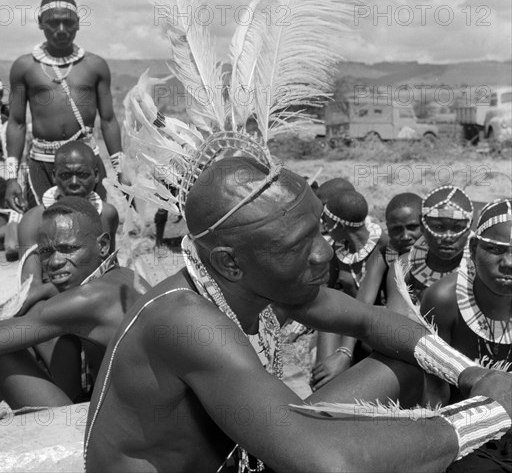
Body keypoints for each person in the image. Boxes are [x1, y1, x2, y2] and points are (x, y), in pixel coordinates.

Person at [84, 157, 512, 473]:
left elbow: (369, 321)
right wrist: (488, 413)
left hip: (244, 454)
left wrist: (474, 376)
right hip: (244, 464)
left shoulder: (255, 281)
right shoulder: (187, 324)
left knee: (406, 359)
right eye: (296, 246)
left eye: (318, 232)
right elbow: (328, 466)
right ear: (230, 262)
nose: (324, 252)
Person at [0, 197, 143, 426]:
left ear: (102, 245)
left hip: (117, 441)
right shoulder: (125, 278)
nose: (54, 262)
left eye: (68, 249)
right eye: (45, 252)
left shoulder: (86, 299)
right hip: (135, 426)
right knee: (61, 343)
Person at [5, 0, 125, 211]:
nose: (61, 30)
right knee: (43, 232)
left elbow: (108, 120)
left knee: (92, 231)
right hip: (42, 163)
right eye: (53, 23)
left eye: (68, 23)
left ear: (78, 24)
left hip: (86, 163)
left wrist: (121, 169)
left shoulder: (95, 66)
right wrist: (11, 177)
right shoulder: (24, 67)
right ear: (40, 23)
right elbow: (16, 123)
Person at [419, 198, 512, 472]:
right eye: (495, 249)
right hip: (467, 436)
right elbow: (434, 392)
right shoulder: (444, 300)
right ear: (473, 247)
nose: (508, 262)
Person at [16, 141, 119, 312]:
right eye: (65, 175)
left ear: (96, 175)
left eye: (82, 174)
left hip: (98, 299)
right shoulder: (33, 220)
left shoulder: (107, 214)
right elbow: (31, 289)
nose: (73, 182)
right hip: (51, 305)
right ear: (54, 176)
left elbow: (110, 268)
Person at [312, 190, 387, 390]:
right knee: (327, 321)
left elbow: (365, 306)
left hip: (378, 327)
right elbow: (326, 290)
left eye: (326, 221)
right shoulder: (339, 249)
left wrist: (344, 351)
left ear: (339, 224)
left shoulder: (383, 248)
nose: (324, 226)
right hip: (352, 324)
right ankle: (324, 388)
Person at [386, 185, 474, 314]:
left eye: (457, 228)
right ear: (422, 227)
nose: (447, 237)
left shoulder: (481, 267)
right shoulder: (403, 267)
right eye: (438, 227)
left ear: (469, 229)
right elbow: (395, 321)